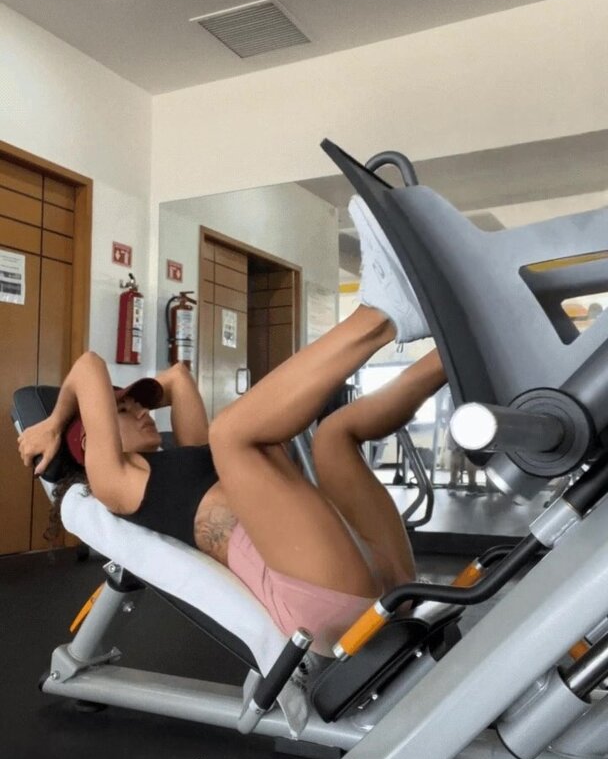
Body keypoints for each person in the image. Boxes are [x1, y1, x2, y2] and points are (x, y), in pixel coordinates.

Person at [17, 198, 446, 655]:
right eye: (124, 410)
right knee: (231, 434)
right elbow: (88, 366)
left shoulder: (186, 458)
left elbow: (178, 379)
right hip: (323, 597)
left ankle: (447, 355)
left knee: (334, 435)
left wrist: (137, 395)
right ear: (91, 441)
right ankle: (382, 318)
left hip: (375, 575)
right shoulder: (114, 485)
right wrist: (56, 421)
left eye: (139, 405)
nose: (144, 412)